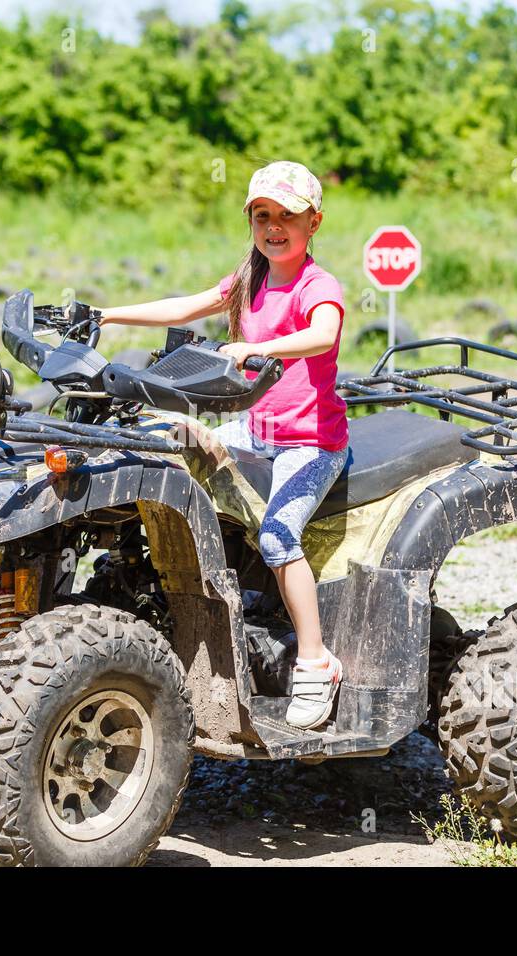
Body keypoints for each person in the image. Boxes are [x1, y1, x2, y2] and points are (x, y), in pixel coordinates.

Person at [99, 160, 349, 730]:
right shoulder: (249, 282)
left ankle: (314, 659)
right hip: (255, 429)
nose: (274, 226)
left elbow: (324, 333)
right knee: (159, 436)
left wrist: (259, 350)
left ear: (314, 222)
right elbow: (183, 307)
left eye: (288, 215)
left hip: (309, 443)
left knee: (279, 534)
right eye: (264, 215)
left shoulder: (317, 285)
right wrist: (107, 314)